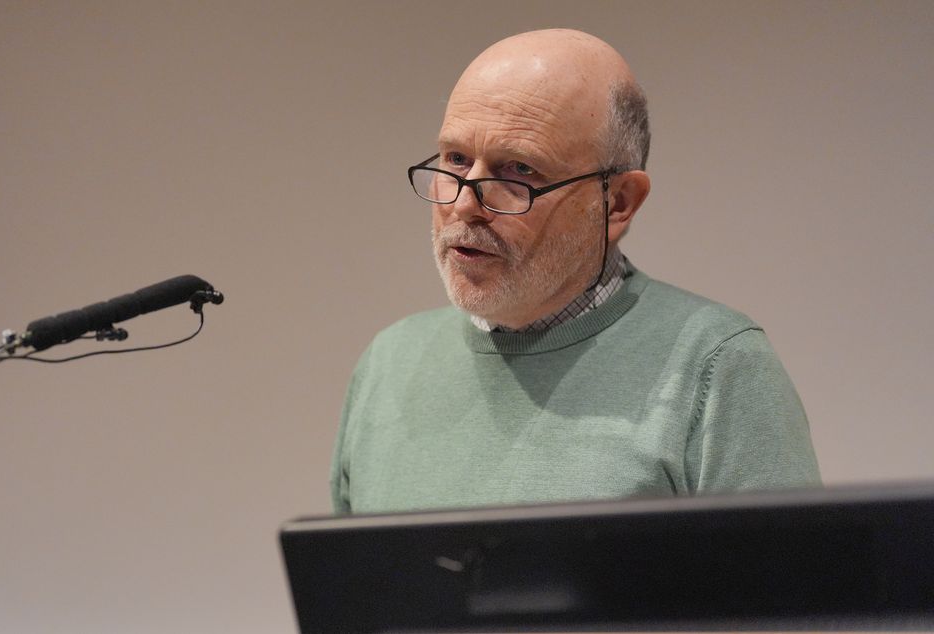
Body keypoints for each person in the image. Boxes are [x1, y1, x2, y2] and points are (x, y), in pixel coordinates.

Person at [331, 29, 819, 514]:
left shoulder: (717, 368)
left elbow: (803, 592)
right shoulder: (388, 366)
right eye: (456, 159)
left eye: (518, 170)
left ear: (619, 203)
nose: (464, 203)